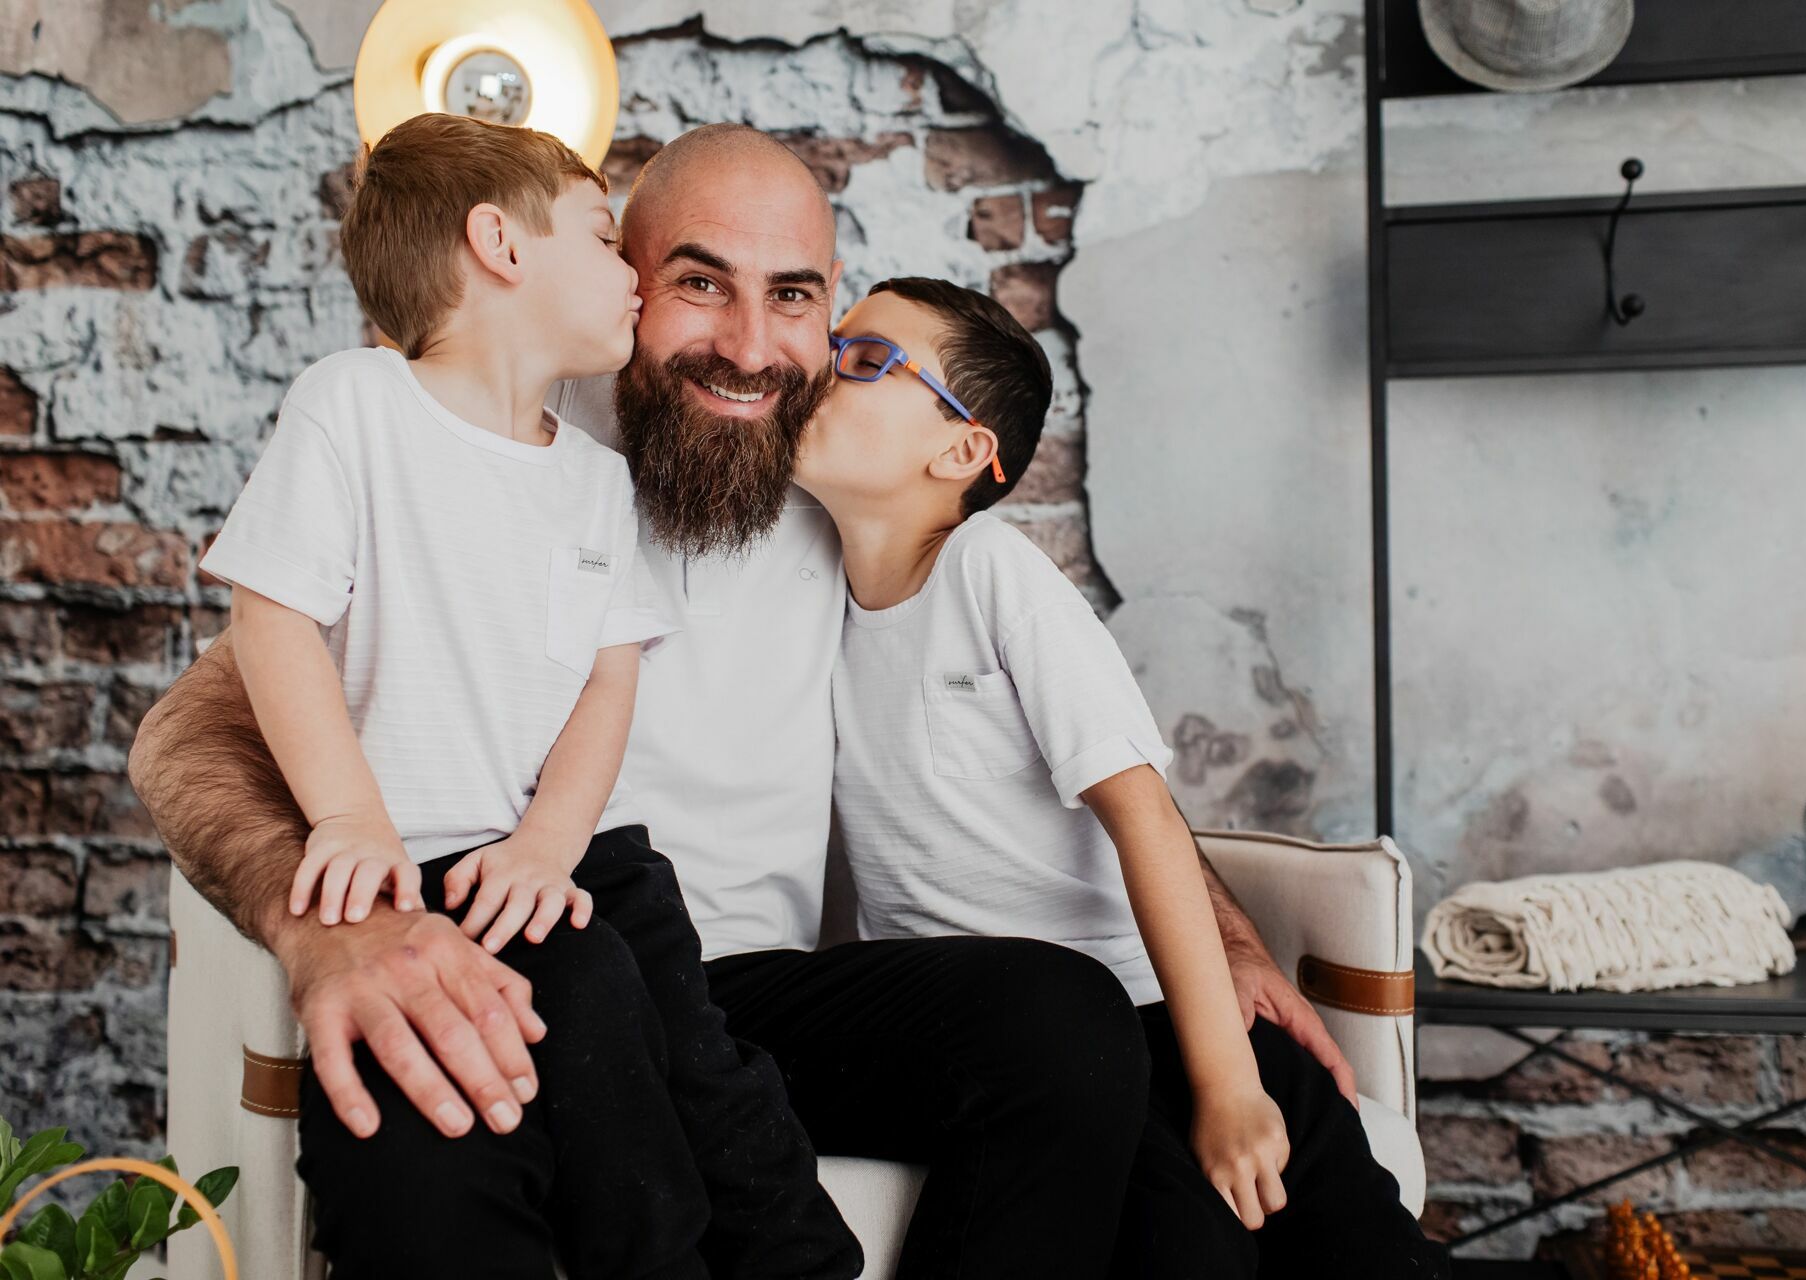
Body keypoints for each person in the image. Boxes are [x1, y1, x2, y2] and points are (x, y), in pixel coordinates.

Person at [131, 123, 1370, 1279]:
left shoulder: (847, 477)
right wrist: (328, 929)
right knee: (432, 1122)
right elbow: (190, 729)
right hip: (527, 936)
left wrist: (1230, 932)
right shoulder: (497, 433)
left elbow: (1079, 748)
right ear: (621, 274)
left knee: (1065, 1023)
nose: (749, 343)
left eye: (793, 296)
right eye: (699, 281)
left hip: (761, 992)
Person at [190, 111, 858, 1280]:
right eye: (611, 244)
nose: (634, 289)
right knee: (524, 1089)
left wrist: (553, 842)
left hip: (566, 861)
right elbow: (271, 616)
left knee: (676, 1053)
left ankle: (777, 1255)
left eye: (795, 296)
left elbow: (611, 675)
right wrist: (348, 819)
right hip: (415, 874)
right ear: (500, 244)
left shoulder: (595, 481)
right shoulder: (356, 404)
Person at [792, 276, 1449, 1278]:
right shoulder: (813, 604)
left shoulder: (989, 572)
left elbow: (1141, 813)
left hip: (1171, 1021)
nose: (825, 367)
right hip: (1034, 1058)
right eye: (836, 344)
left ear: (963, 451)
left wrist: (1228, 1081)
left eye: (869, 359)